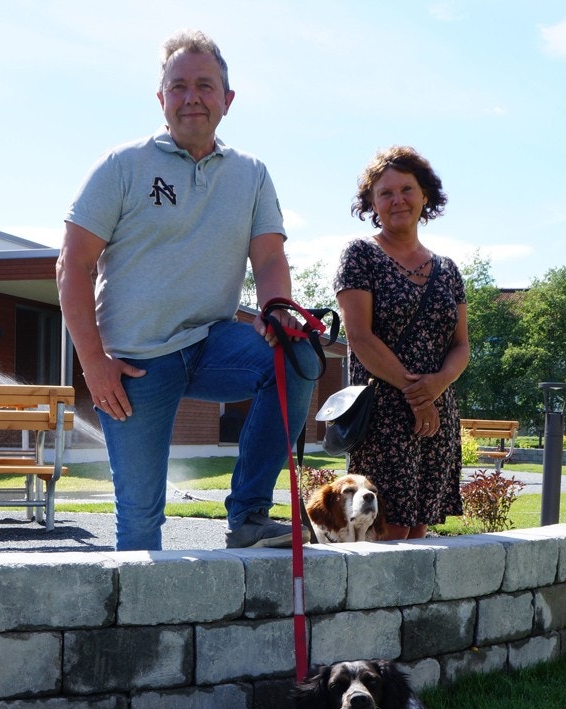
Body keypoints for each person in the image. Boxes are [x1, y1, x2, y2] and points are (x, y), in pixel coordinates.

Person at [56, 30, 316, 551]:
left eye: (204, 85)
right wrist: (94, 361)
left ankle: (248, 516)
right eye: (178, 86)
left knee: (299, 355)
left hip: (212, 342)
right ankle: (141, 633)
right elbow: (72, 265)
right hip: (135, 362)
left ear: (227, 99)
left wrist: (274, 309)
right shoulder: (121, 167)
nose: (191, 96)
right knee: (139, 524)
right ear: (161, 98)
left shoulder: (252, 174)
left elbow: (268, 257)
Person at [333, 146, 470, 539]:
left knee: (419, 531)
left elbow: (461, 345)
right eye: (385, 193)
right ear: (372, 203)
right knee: (382, 530)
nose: (398, 200)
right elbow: (359, 337)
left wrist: (437, 386)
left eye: (406, 189)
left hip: (436, 413)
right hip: (382, 415)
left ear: (425, 194)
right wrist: (419, 395)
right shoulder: (360, 254)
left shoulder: (448, 270)